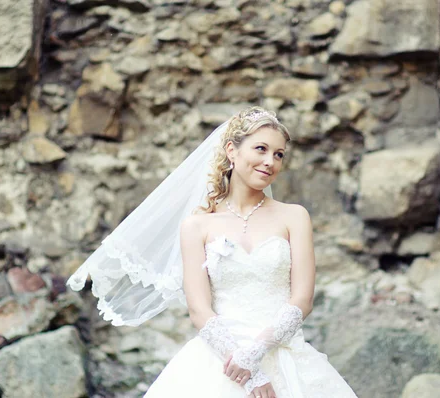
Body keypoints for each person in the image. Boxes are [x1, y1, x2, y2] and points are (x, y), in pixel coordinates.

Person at [68, 107, 358, 398]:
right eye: (261, 149)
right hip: (219, 359)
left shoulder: (294, 217)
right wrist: (246, 370)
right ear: (232, 150)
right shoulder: (197, 226)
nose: (270, 161)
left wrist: (255, 353)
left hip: (283, 353)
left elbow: (302, 300)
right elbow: (199, 308)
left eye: (279, 154)